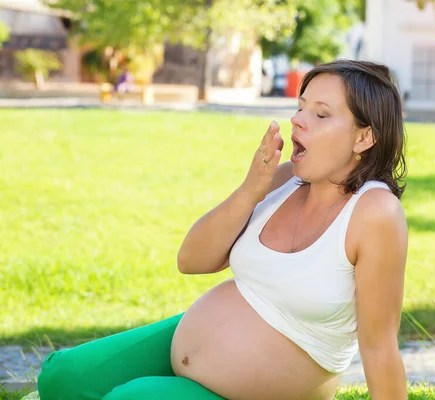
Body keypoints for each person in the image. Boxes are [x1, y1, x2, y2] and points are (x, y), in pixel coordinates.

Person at [37, 59, 409, 400]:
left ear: (364, 138)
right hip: (195, 346)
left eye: (321, 114)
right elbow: (191, 260)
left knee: (133, 397)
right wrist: (251, 189)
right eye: (301, 106)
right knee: (61, 377)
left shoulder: (375, 213)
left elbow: (379, 346)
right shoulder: (284, 181)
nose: (298, 120)